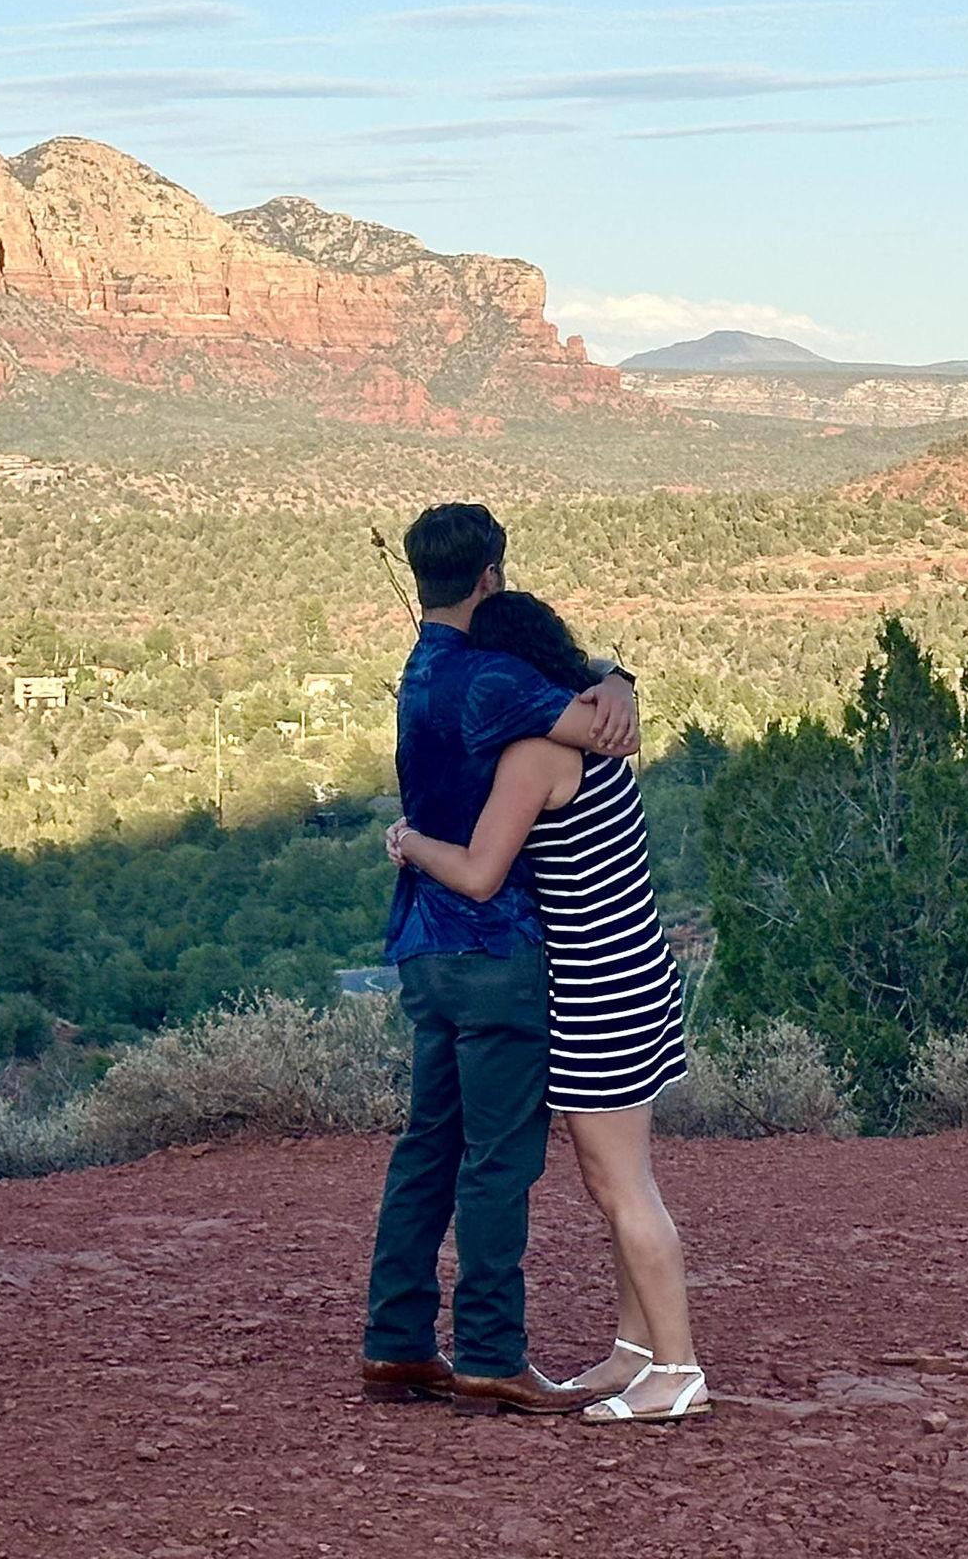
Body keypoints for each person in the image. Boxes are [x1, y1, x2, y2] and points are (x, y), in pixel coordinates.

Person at [387, 591, 706, 1426]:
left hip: (598, 984)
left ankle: (678, 1370)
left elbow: (481, 874)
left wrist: (409, 842)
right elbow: (606, 673)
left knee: (620, 1184)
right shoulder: (599, 726)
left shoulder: (535, 753)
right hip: (638, 968)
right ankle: (635, 1351)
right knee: (623, 1177)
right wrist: (620, 677)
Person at [359, 503, 639, 1419]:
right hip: (497, 949)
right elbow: (604, 728)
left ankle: (397, 1343)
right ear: (492, 576)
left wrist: (618, 675)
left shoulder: (421, 671)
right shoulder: (494, 680)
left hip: (423, 948)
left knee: (426, 1146)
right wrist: (622, 678)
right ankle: (489, 1354)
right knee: (499, 1161)